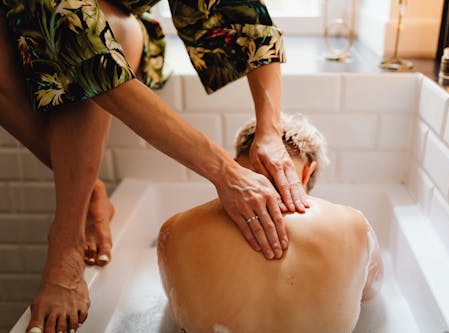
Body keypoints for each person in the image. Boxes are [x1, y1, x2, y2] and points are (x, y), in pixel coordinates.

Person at [0, 1, 309, 332]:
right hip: (40, 23)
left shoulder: (180, 232)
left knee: (109, 27)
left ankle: (81, 191)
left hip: (118, 30)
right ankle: (69, 233)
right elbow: (79, 42)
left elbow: (244, 16)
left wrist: (270, 131)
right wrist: (224, 173)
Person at [157, 113, 384, 333]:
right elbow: (370, 292)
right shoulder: (355, 227)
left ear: (235, 164)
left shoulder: (176, 230)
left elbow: (175, 300)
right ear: (308, 172)